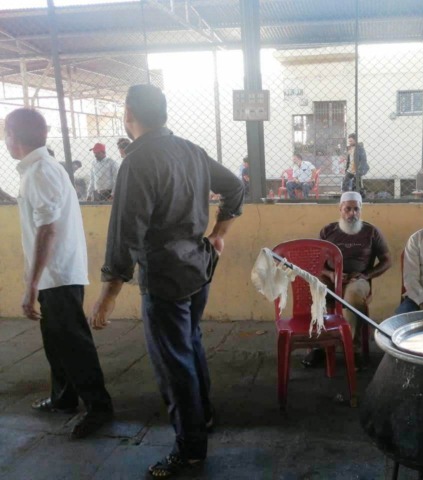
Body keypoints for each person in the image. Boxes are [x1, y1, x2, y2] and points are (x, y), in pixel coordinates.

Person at [88, 84, 244, 479]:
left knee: (174, 364)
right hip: (198, 267)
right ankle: (203, 418)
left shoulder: (137, 162)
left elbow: (125, 233)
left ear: (128, 114)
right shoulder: (190, 150)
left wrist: (108, 294)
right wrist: (219, 233)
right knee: (189, 346)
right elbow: (235, 186)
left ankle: (190, 449)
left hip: (165, 276)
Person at [4, 107, 113, 438]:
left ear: (13, 137)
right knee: (55, 341)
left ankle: (99, 407)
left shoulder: (40, 171)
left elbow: (47, 229)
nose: (4, 140)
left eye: (5, 133)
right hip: (55, 274)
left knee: (73, 342)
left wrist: (31, 284)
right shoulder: (39, 168)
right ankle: (63, 397)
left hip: (58, 274)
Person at [303, 191, 392, 368]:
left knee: (353, 297)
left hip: (358, 280)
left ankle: (353, 350)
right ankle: (319, 346)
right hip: (330, 278)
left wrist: (366, 275)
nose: (352, 213)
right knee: (315, 292)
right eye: (348, 209)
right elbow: (315, 261)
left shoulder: (371, 232)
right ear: (340, 209)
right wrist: (330, 274)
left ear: (361, 210)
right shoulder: (328, 230)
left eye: (356, 209)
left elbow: (387, 260)